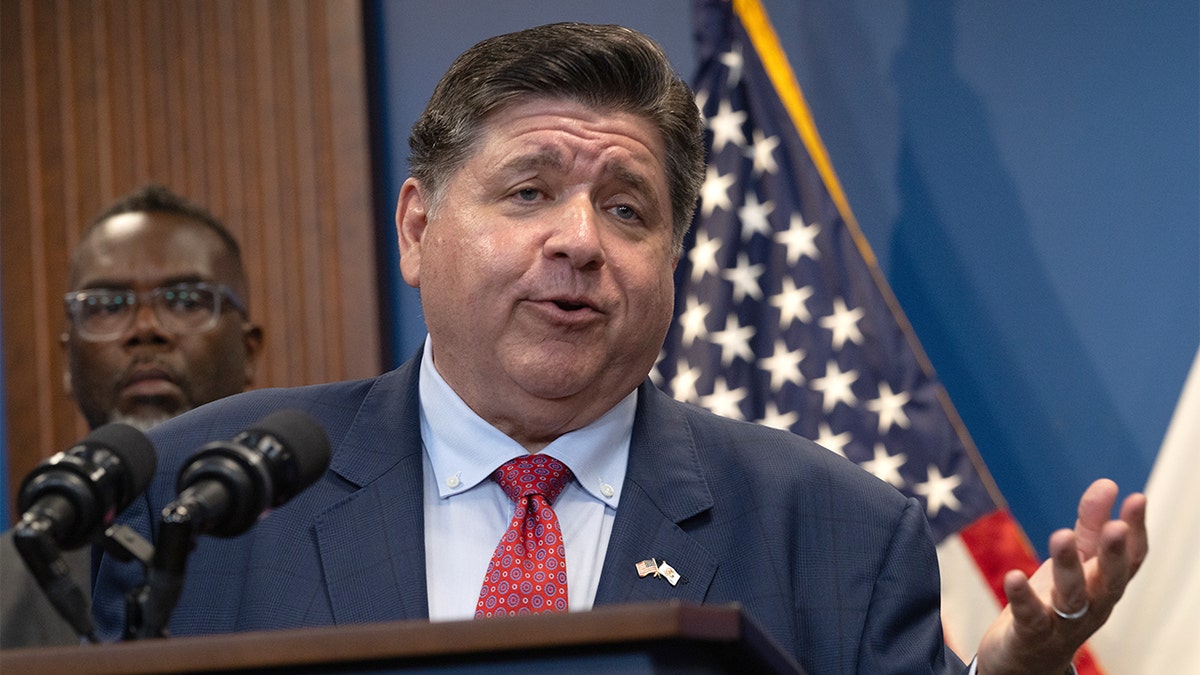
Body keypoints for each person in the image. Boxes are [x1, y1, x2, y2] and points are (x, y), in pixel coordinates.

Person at [90, 24, 1146, 674]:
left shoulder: (838, 533)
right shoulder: (202, 498)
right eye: (529, 191)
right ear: (416, 229)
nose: (581, 241)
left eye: (629, 209)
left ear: (674, 263)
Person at [0, 185, 263, 649]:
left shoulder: (322, 547)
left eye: (185, 300)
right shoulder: (7, 585)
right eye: (106, 306)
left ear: (248, 352)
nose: (145, 329)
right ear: (67, 364)